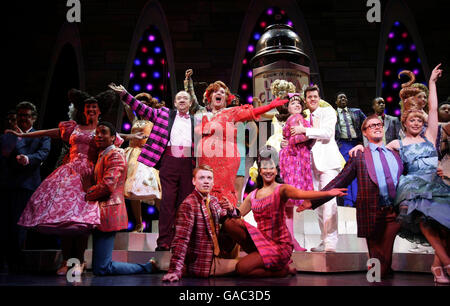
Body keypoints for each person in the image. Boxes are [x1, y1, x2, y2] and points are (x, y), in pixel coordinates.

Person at [9, 89, 122, 276]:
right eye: (88, 108)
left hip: (88, 176)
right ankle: (66, 261)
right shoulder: (73, 127)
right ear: (83, 111)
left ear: (99, 110)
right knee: (65, 220)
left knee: (81, 221)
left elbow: (116, 139)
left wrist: (133, 139)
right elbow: (49, 132)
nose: (91, 110)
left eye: (94, 107)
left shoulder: (102, 130)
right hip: (68, 174)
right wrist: (22, 136)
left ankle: (79, 262)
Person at [298, 114, 404, 279]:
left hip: (393, 213)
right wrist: (313, 201)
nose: (377, 127)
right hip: (372, 213)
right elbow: (339, 181)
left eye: (379, 124)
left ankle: (381, 276)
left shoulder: (395, 154)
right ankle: (376, 279)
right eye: (372, 125)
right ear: (365, 133)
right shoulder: (360, 155)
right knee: (378, 263)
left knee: (386, 259)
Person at [222, 146, 347, 277]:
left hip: (279, 246)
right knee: (230, 222)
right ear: (260, 171)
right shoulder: (253, 195)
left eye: (272, 168)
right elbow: (238, 214)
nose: (268, 171)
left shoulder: (282, 189)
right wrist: (231, 208)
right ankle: (262, 259)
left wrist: (328, 192)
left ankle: (282, 271)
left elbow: (302, 194)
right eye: (265, 168)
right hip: (261, 241)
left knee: (242, 268)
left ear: (276, 171)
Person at [109, 83, 196, 251]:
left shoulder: (197, 119)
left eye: (185, 98)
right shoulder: (164, 114)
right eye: (179, 98)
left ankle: (183, 241)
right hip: (170, 161)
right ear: (175, 103)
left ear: (191, 102)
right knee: (166, 203)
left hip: (188, 162)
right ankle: (163, 242)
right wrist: (125, 94)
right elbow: (142, 109)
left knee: (186, 204)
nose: (182, 100)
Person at [388, 64, 450, 284]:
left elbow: (433, 110)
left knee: (445, 226)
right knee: (425, 220)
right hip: (414, 187)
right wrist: (359, 148)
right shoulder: (398, 143)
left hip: (435, 184)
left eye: (418, 120)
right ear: (404, 122)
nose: (416, 123)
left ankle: (436, 265)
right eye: (411, 120)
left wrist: (432, 82)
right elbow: (377, 149)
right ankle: (447, 263)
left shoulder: (429, 137)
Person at [195, 81, 289, 207]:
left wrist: (270, 106)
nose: (219, 93)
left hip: (225, 161)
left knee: (223, 194)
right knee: (205, 193)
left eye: (222, 92)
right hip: (205, 160)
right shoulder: (203, 115)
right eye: (215, 91)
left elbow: (252, 112)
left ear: (226, 98)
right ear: (210, 96)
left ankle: (227, 222)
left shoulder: (231, 112)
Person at [86, 121, 158, 276]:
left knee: (102, 268)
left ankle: (146, 267)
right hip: (99, 211)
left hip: (109, 211)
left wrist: (85, 196)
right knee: (99, 267)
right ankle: (146, 267)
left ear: (113, 137)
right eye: (97, 132)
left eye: (103, 132)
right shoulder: (101, 154)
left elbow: (108, 185)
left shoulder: (116, 154)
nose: (98, 135)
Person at [162, 165, 241, 282]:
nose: (206, 182)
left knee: (236, 222)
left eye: (209, 178)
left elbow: (227, 218)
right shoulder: (189, 204)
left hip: (217, 255)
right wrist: (175, 270)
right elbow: (181, 240)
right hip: (202, 263)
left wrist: (231, 209)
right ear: (194, 181)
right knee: (243, 266)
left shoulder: (213, 200)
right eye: (202, 178)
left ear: (213, 182)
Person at [290, 85, 342, 252]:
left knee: (329, 202)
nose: (312, 99)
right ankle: (324, 239)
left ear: (319, 98)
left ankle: (331, 243)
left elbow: (327, 133)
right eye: (309, 97)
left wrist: (304, 129)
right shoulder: (303, 116)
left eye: (315, 96)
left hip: (327, 162)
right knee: (319, 204)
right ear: (306, 100)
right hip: (310, 165)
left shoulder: (327, 112)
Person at [0, 101, 51, 273]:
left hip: (26, 185)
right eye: (20, 115)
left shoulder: (41, 135)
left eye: (27, 116)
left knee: (19, 227)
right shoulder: (8, 135)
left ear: (34, 118)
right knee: (5, 225)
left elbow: (42, 153)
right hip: (7, 184)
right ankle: (7, 262)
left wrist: (27, 158)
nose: (23, 119)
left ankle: (17, 263)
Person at [122, 92, 164, 232]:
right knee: (132, 189)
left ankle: (167, 221)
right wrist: (123, 95)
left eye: (144, 106)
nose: (141, 109)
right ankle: (139, 224)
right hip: (132, 155)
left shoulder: (154, 121)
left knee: (155, 188)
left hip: (147, 155)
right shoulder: (135, 120)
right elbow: (127, 106)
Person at [278, 94, 314, 252]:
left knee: (288, 204)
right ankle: (289, 239)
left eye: (299, 102)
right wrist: (310, 132)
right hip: (295, 160)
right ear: (288, 107)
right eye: (293, 103)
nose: (297, 105)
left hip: (293, 158)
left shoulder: (293, 119)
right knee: (290, 200)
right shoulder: (296, 118)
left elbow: (291, 138)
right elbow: (298, 138)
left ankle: (289, 239)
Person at [335, 92, 366, 207]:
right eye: (340, 97)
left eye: (345, 97)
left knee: (358, 170)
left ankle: (359, 199)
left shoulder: (356, 112)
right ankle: (348, 201)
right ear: (336, 102)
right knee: (347, 171)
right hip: (342, 144)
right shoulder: (333, 114)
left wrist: (363, 141)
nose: (343, 99)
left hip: (356, 143)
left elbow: (367, 123)